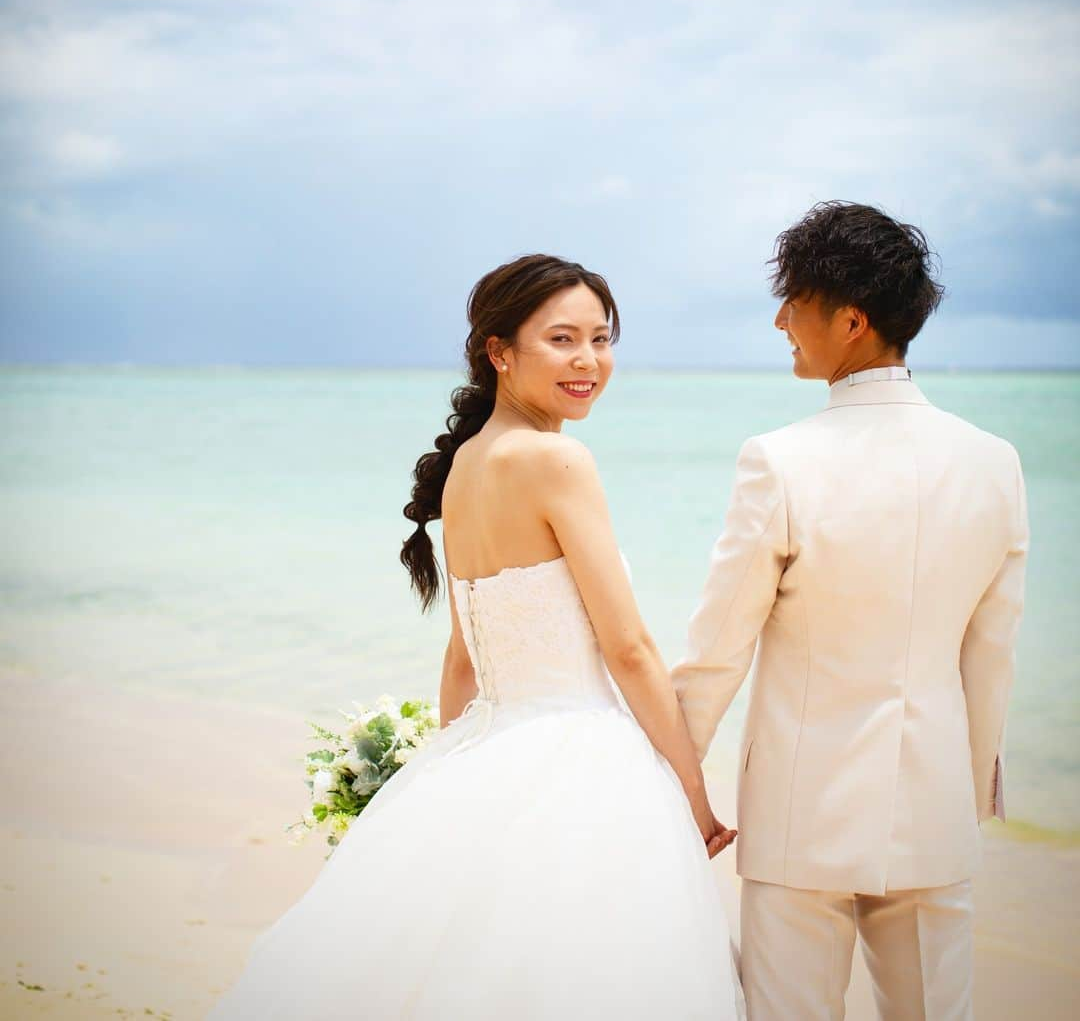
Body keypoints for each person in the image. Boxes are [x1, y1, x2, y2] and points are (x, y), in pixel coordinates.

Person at [211, 252, 742, 1020]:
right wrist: (694, 798)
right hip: (583, 754)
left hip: (494, 744)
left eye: (601, 337)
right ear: (499, 351)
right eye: (562, 339)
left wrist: (447, 768)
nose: (588, 360)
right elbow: (629, 649)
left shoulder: (465, 468)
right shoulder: (558, 459)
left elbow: (464, 657)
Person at [672, 201, 1028, 1021]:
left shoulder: (781, 462)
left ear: (853, 321)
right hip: (935, 813)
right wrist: (965, 794)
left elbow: (720, 648)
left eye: (794, 302)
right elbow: (991, 653)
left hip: (803, 816)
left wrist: (673, 780)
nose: (780, 321)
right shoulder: (995, 463)